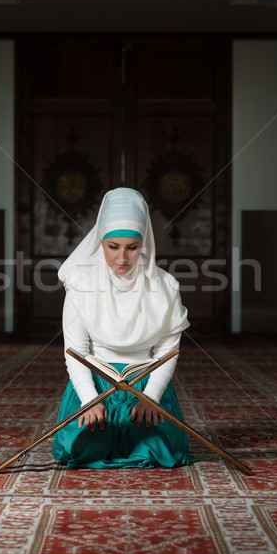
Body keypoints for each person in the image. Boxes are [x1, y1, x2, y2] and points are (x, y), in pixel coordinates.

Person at [52, 187, 197, 468]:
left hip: (146, 382)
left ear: (145, 244)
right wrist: (89, 399)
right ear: (100, 242)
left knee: (157, 450)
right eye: (113, 247)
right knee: (83, 449)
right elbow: (75, 351)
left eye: (132, 247)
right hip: (95, 381)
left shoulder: (166, 286)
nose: (122, 258)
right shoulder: (80, 285)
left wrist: (151, 397)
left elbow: (168, 350)